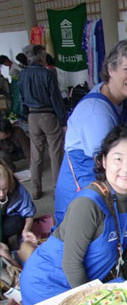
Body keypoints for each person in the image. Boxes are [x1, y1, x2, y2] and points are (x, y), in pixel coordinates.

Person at [20, 126, 127, 305]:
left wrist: (123, 289)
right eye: (118, 159)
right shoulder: (88, 204)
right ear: (104, 161)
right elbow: (71, 264)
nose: (126, 168)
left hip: (90, 283)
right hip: (50, 284)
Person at [54, 40, 127, 226]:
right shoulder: (97, 113)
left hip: (105, 194)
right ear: (111, 69)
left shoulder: (117, 98)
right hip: (83, 200)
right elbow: (111, 170)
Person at [19, 45, 67, 200]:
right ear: (40, 56)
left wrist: (25, 116)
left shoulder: (23, 75)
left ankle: (36, 189)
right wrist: (63, 120)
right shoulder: (47, 73)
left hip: (32, 117)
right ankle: (57, 190)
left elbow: (21, 100)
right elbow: (56, 99)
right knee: (55, 153)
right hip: (48, 116)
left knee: (36, 154)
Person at [0, 159, 36, 248]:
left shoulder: (17, 189)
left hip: (7, 220)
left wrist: (26, 230)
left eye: (5, 188)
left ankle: (20, 239)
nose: (1, 194)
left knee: (19, 221)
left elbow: (29, 213)